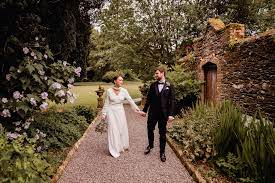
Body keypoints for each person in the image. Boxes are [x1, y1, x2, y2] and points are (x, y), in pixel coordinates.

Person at [140, 66, 175, 162]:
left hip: (164, 114)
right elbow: (149, 99)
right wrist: (144, 110)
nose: (155, 75)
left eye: (157, 73)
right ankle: (150, 145)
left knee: (162, 133)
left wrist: (171, 114)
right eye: (155, 73)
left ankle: (162, 152)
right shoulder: (152, 85)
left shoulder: (169, 85)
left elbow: (172, 101)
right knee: (150, 129)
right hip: (153, 113)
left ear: (162, 73)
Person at [101, 75, 141, 158]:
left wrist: (137, 110)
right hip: (111, 112)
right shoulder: (108, 91)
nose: (121, 82)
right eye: (120, 80)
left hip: (120, 112)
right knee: (113, 130)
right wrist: (104, 113)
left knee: (121, 129)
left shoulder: (124, 91)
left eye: (122, 80)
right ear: (115, 81)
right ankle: (114, 149)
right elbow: (106, 103)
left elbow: (130, 100)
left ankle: (121, 146)